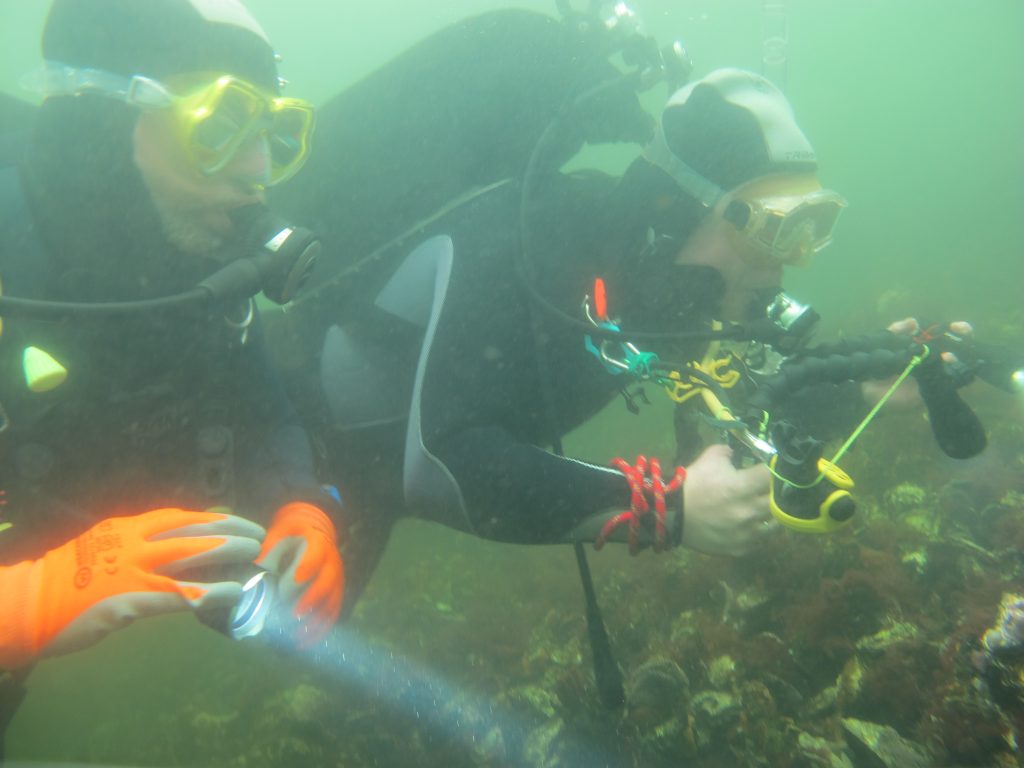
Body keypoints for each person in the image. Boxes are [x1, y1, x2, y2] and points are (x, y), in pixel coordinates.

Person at [267, 7, 858, 614]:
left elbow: (737, 410)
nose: (783, 265)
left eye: (810, 229)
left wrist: (865, 383)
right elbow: (443, 464)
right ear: (680, 209)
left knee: (284, 630)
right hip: (267, 443)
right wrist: (668, 513)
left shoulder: (660, 288)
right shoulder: (526, 239)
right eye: (772, 229)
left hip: (356, 497)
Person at [0, 0, 345, 754]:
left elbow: (265, 407)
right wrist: (17, 605)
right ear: (102, 128)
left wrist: (300, 503)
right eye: (218, 127)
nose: (257, 175)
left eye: (273, 134)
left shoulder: (194, 270)